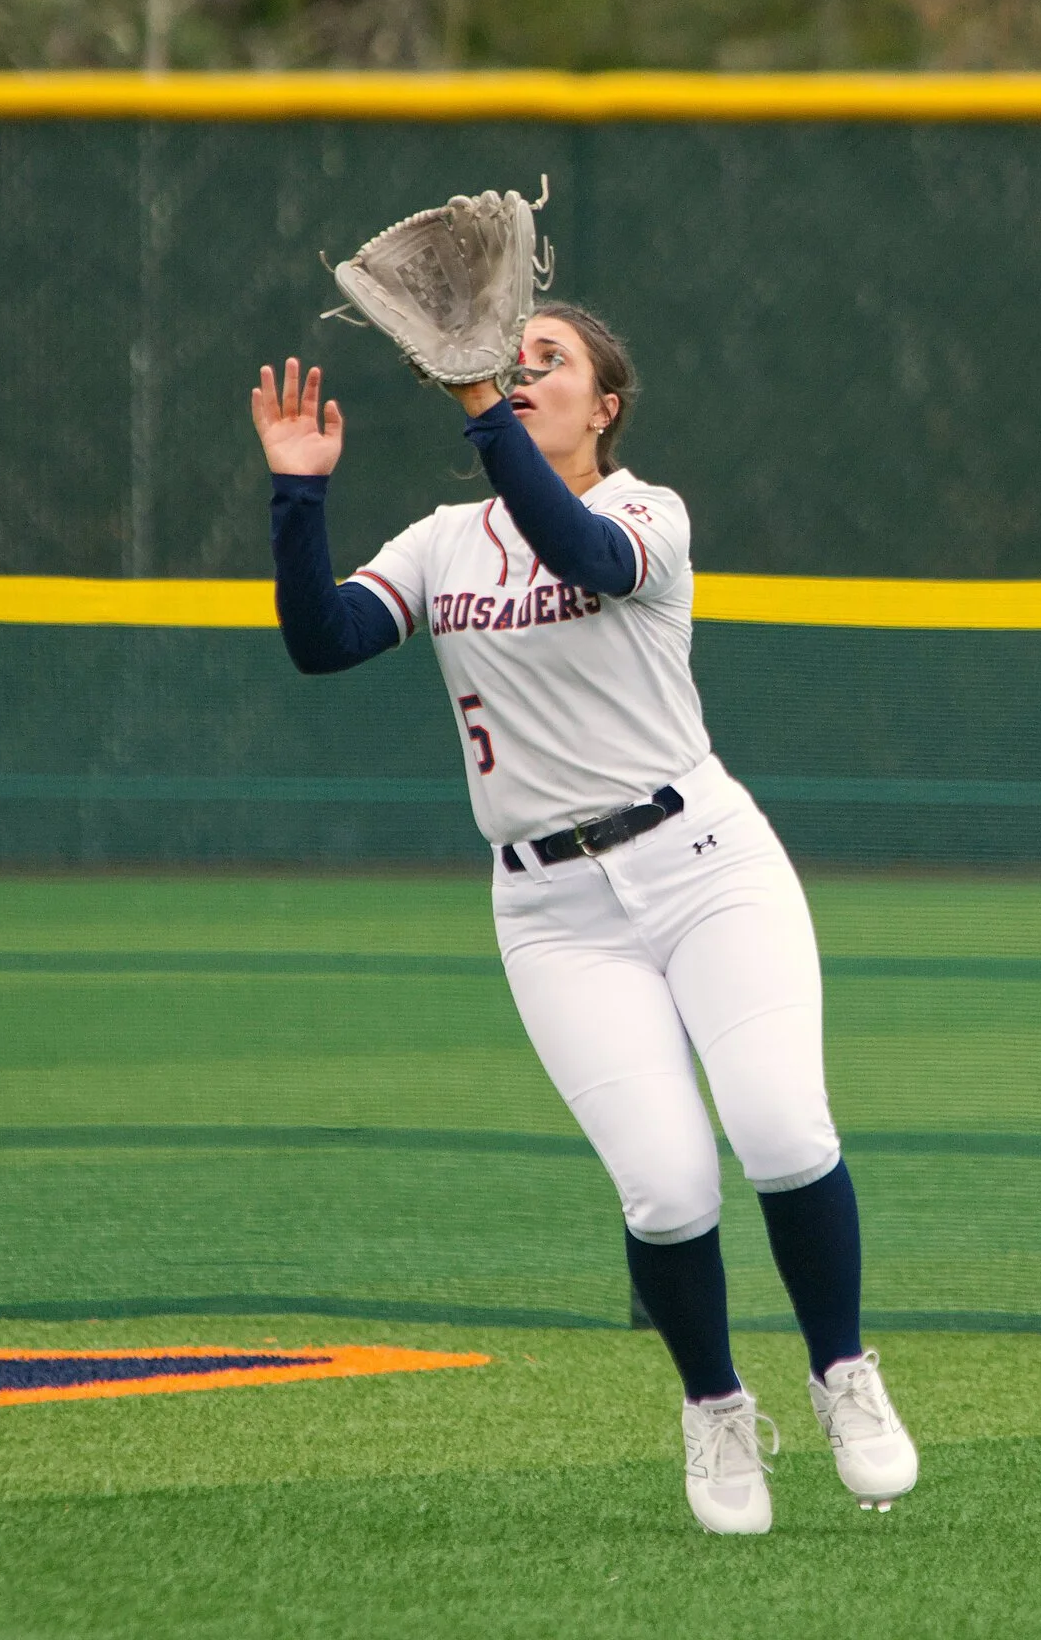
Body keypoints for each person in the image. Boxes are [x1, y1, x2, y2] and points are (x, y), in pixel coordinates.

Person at [250, 304, 917, 1535]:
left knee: (775, 1123)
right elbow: (321, 640)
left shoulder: (643, 514)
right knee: (664, 1189)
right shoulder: (444, 541)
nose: (521, 373)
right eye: (514, 359)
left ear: (604, 405)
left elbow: (578, 556)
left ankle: (841, 1372)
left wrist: (472, 406)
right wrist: (299, 496)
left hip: (705, 862)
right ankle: (715, 1404)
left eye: (548, 360)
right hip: (552, 906)